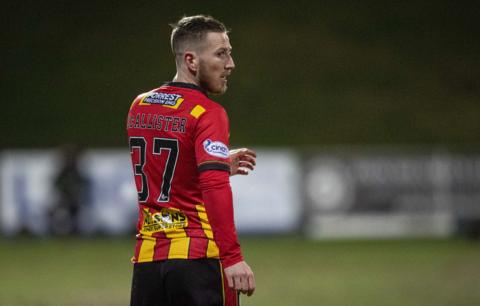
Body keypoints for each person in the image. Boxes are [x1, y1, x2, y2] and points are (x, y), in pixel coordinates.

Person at [127, 15, 256, 306]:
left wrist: (218, 163)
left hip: (148, 260)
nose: (231, 64)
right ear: (191, 60)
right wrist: (233, 257)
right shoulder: (208, 113)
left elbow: (163, 172)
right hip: (198, 260)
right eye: (221, 53)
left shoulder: (140, 105)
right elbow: (214, 187)